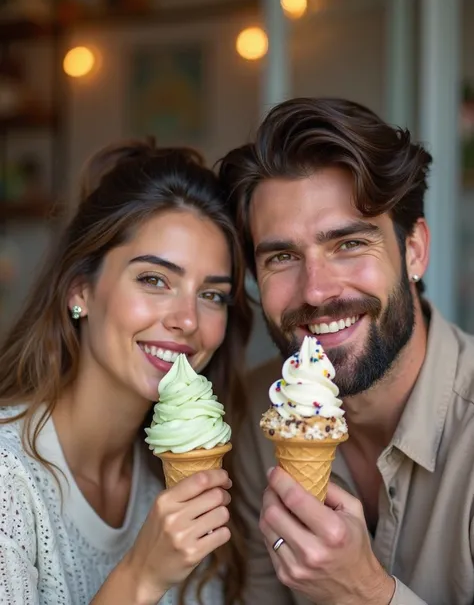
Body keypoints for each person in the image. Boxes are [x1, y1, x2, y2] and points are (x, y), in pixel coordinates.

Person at [218, 97, 474, 605]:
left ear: (414, 250)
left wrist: (364, 592)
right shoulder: (255, 417)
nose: (316, 290)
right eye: (283, 256)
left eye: (349, 244)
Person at [0, 138, 252, 604]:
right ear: (81, 291)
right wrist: (140, 576)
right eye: (154, 280)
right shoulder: (8, 479)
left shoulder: (173, 477)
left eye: (212, 294)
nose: (188, 320)